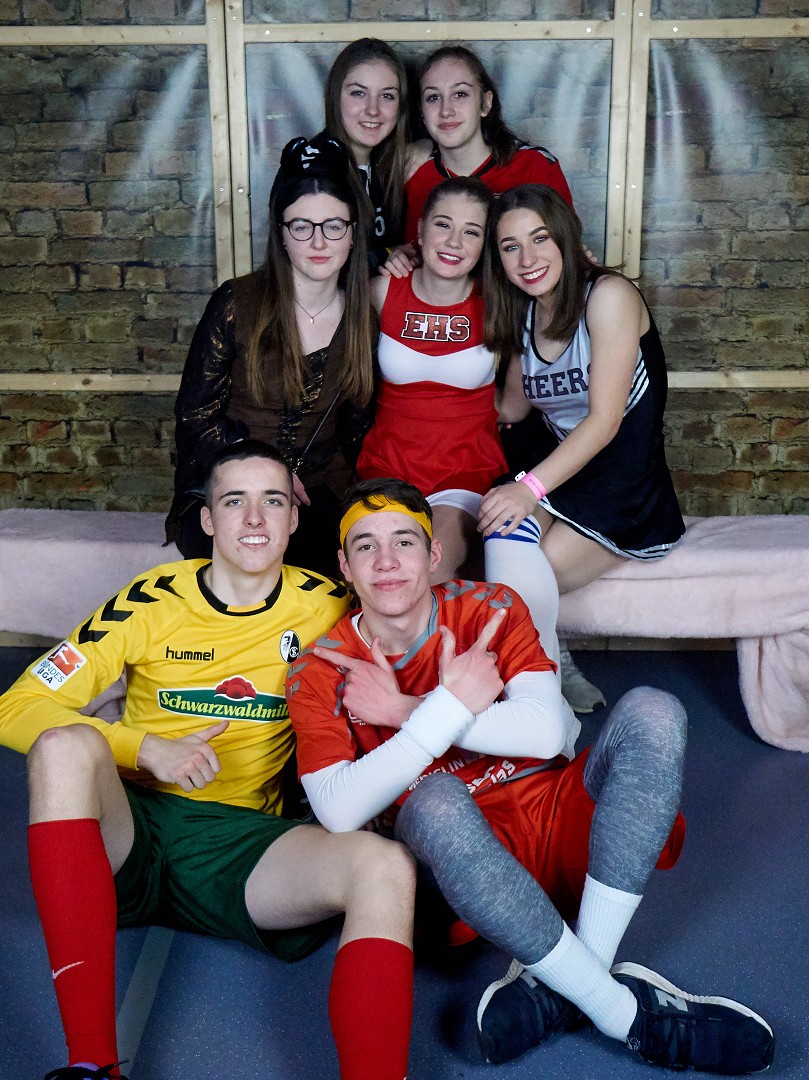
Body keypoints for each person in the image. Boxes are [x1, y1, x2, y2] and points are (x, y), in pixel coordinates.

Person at [285, 478, 774, 1076]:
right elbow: (338, 810)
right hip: (459, 867)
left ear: (433, 554)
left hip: (553, 817)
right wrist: (453, 706)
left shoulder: (488, 608)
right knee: (434, 800)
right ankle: (621, 1013)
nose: (387, 561)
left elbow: (543, 733)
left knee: (654, 710)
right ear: (344, 566)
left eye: (404, 542)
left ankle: (571, 975)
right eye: (366, 546)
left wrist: (407, 711)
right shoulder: (321, 667)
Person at [0, 442, 416, 1080]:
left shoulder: (330, 604)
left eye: (272, 500)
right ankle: (91, 1065)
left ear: (293, 518)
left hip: (245, 846)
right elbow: (16, 706)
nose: (254, 518)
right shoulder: (148, 600)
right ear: (208, 520)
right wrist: (144, 748)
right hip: (129, 830)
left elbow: (416, 635)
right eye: (234, 501)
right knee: (64, 746)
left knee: (385, 867)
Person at [478, 184, 685, 669]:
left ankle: (543, 678)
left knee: (534, 567)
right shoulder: (526, 312)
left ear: (566, 238)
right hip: (560, 472)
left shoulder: (608, 296)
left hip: (624, 485)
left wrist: (527, 489)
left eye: (541, 238)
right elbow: (511, 409)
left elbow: (605, 420)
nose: (527, 258)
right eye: (510, 246)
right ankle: (550, 670)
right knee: (503, 540)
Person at [166, 133, 375, 578]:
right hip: (234, 487)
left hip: (319, 493)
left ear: (353, 232)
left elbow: (357, 430)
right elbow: (195, 416)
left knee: (339, 573)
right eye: (301, 226)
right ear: (281, 233)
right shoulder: (237, 303)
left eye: (333, 225)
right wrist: (269, 475)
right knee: (250, 564)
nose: (318, 242)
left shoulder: (364, 318)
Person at [355, 176, 505, 582]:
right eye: (443, 224)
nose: (454, 241)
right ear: (420, 230)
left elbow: (515, 403)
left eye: (471, 231)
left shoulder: (499, 302)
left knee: (425, 567)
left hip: (464, 474)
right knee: (377, 570)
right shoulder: (382, 290)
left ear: (485, 243)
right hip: (386, 467)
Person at [385, 44, 572, 277]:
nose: (446, 110)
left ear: (485, 103)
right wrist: (395, 255)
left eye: (460, 94)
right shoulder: (410, 172)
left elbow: (567, 251)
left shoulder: (535, 165)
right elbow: (395, 249)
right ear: (422, 112)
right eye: (433, 97)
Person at [322, 37, 409, 272]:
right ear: (335, 97)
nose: (373, 110)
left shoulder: (390, 165)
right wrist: (388, 255)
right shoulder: (313, 169)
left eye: (387, 96)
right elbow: (321, 263)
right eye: (358, 93)